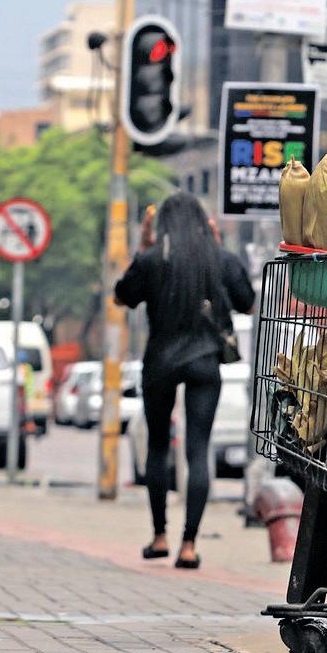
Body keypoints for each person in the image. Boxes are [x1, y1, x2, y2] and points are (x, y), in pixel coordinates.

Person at [115, 192, 254, 569]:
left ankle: (160, 536)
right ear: (202, 223)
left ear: (162, 225)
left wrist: (142, 248)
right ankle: (189, 545)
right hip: (205, 361)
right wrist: (219, 249)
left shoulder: (152, 258)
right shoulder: (218, 257)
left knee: (158, 448)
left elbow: (123, 296)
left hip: (160, 361)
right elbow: (247, 301)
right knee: (198, 451)